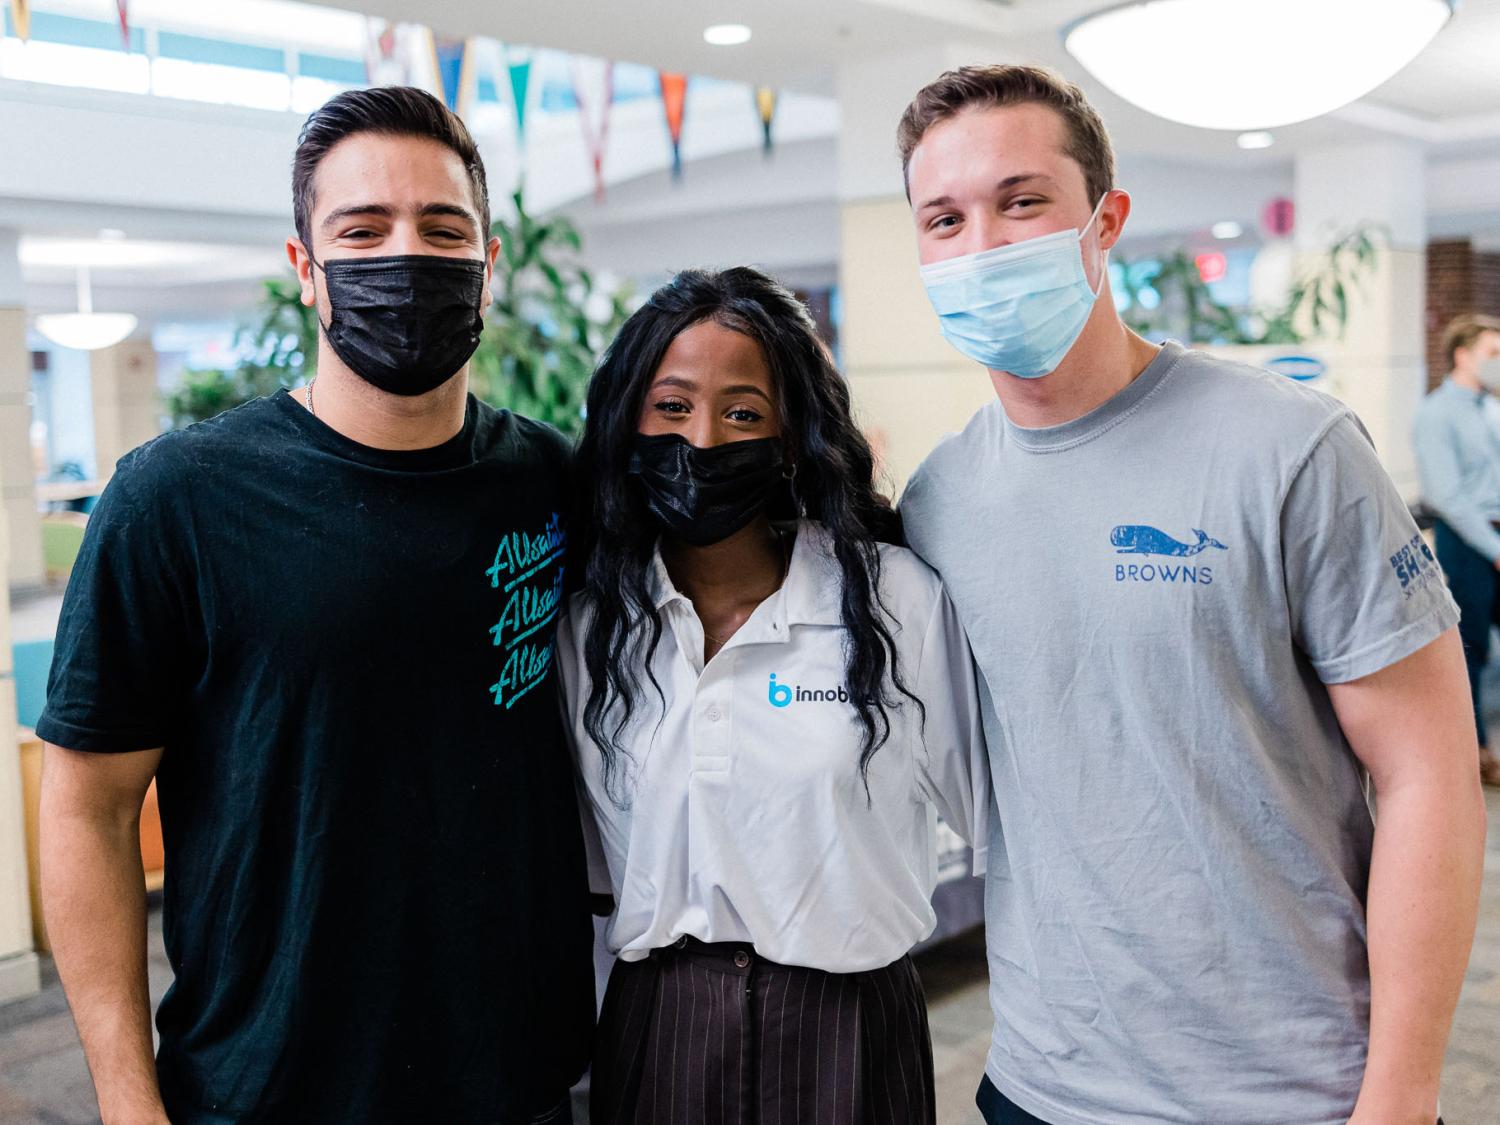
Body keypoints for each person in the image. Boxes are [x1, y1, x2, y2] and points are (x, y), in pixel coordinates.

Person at [896, 65, 1486, 1125]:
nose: (983, 245)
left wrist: (1399, 1094)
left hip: (1295, 1092)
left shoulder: (1290, 449)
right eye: (945, 218)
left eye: (1022, 200)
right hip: (1041, 1085)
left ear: (1105, 220)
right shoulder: (941, 503)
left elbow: (1428, 775)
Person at [37, 87, 593, 1124]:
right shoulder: (176, 499)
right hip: (268, 1086)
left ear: (489, 260)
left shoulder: (551, 480)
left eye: (442, 228)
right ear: (304, 269)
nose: (406, 257)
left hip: (514, 1083)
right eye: (361, 230)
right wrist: (124, 1096)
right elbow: (88, 806)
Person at [558, 267, 988, 1125]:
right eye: (672, 406)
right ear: (624, 423)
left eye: (743, 412)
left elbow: (997, 820)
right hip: (661, 1028)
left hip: (848, 1028)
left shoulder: (889, 598)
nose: (704, 439)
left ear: (793, 435)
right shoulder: (595, 624)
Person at [1414, 312, 1500, 787]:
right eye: (1492, 353)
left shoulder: (1492, 408)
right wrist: (1492, 547)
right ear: (1462, 355)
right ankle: (1478, 752)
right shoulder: (1435, 414)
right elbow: (1448, 496)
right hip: (1466, 540)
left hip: (1495, 533)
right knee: (1472, 650)